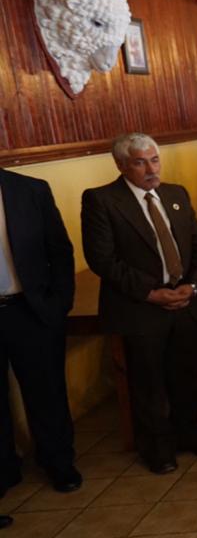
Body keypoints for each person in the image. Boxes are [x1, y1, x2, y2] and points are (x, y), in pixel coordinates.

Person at [82, 133, 197, 474]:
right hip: (140, 307)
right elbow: (103, 259)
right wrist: (151, 292)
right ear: (121, 165)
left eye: (154, 160)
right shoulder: (102, 201)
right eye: (140, 162)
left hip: (185, 301)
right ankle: (157, 447)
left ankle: (190, 432)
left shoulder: (176, 194)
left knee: (186, 375)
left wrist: (191, 285)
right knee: (148, 382)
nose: (151, 169)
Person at [0, 168, 80, 496]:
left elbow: (59, 249)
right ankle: (4, 470)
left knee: (46, 391)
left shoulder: (29, 190)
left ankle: (58, 463)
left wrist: (59, 303)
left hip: (29, 309)